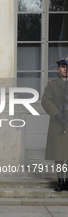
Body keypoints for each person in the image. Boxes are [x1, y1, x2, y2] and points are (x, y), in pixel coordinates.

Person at [42, 57, 68, 192]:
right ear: (59, 69)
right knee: (59, 156)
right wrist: (57, 114)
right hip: (58, 123)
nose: (65, 69)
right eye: (63, 67)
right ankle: (60, 180)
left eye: (67, 67)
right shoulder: (52, 84)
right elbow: (46, 101)